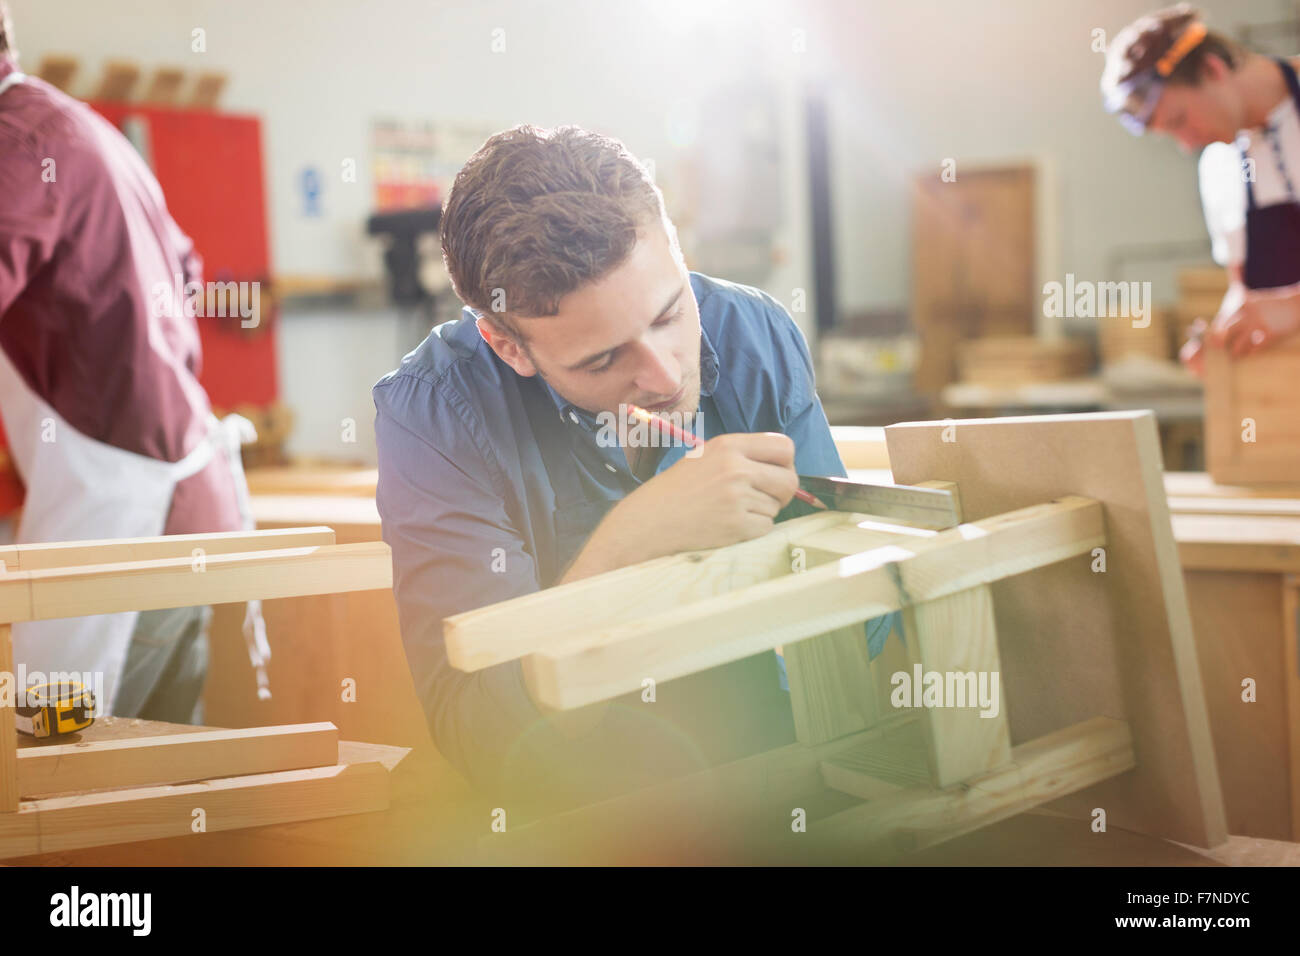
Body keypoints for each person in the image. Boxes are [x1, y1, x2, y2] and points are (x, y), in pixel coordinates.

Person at [374, 124, 890, 815]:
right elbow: (484, 740)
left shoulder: (755, 334)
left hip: (779, 783)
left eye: (671, 313)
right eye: (602, 360)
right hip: (581, 821)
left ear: (675, 248)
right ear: (507, 345)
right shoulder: (432, 414)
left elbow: (861, 621)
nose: (663, 373)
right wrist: (630, 545)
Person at [0, 4, 253, 722]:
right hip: (184, 497)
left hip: (123, 517)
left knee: (61, 769)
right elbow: (188, 270)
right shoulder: (71, 125)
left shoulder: (15, 145)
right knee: (165, 786)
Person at [1102, 4, 1300, 373]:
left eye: (1180, 120)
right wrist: (1221, 335)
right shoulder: (1219, 164)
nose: (1186, 145)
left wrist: (1292, 309)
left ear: (1213, 69)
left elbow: (1281, 309)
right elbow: (1245, 290)